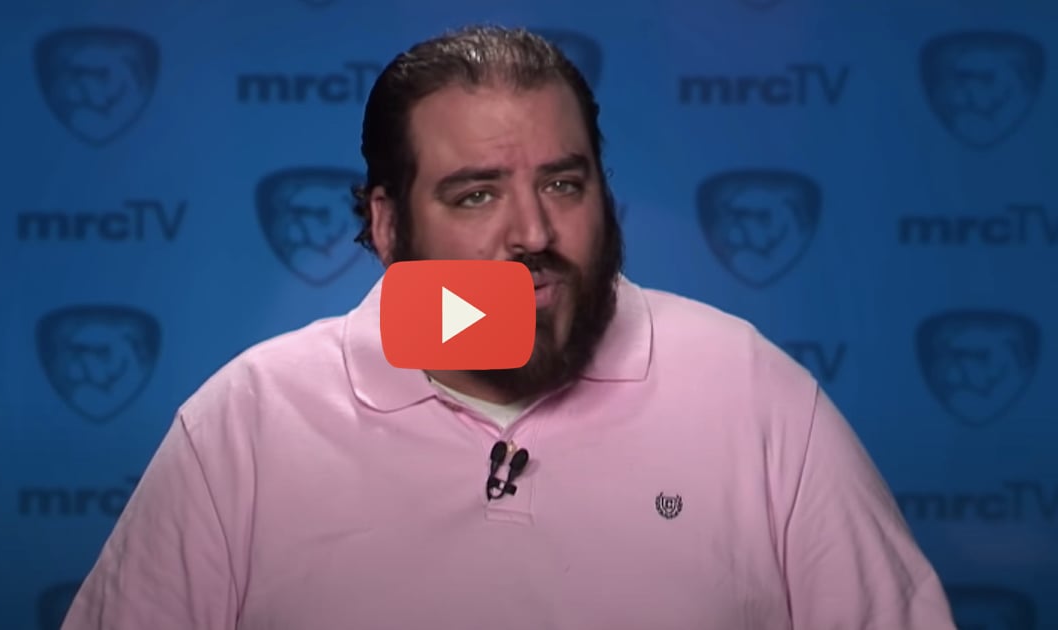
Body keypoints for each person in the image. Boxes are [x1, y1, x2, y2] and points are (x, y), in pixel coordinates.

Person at [62, 25, 958, 629]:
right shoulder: (245, 427)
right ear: (387, 225)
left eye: (564, 184)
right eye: (476, 195)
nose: (532, 232)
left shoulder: (755, 396)